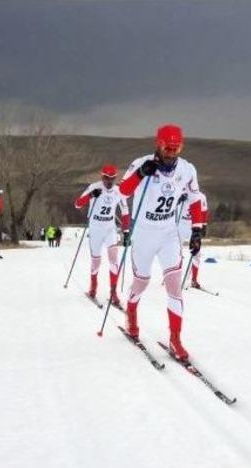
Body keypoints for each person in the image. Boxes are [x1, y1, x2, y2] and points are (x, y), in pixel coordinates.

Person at [118, 123, 204, 361]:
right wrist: (139, 175)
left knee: (175, 286)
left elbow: (195, 199)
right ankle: (131, 313)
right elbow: (122, 192)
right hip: (144, 234)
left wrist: (197, 231)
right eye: (167, 148)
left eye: (176, 149)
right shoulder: (141, 163)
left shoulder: (187, 170)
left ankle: (175, 339)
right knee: (141, 282)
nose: (171, 154)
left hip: (168, 233)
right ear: (159, 145)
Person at [74, 164, 131, 306]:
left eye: (112, 178)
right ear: (102, 176)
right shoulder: (94, 187)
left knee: (114, 260)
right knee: (96, 261)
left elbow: (125, 212)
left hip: (110, 228)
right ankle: (93, 288)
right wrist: (91, 196)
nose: (109, 181)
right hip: (95, 228)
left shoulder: (119, 191)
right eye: (106, 178)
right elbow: (77, 204)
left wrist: (126, 231)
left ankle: (113, 293)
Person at [177, 190, 208, 289]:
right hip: (180, 225)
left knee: (196, 252)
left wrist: (204, 225)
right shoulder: (178, 191)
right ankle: (173, 279)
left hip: (194, 225)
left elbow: (204, 212)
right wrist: (178, 200)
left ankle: (194, 280)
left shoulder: (201, 196)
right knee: (175, 252)